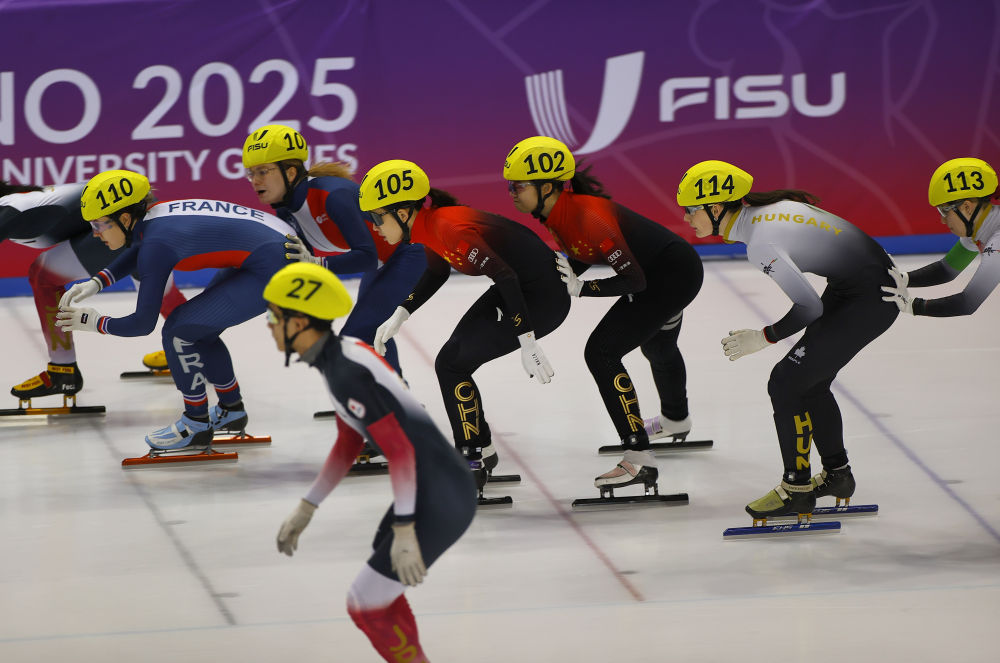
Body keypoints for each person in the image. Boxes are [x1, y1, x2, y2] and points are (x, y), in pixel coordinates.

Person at [265, 262, 475, 663]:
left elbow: (400, 451)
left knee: (364, 602)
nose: (269, 326)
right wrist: (307, 506)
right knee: (378, 597)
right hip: (435, 487)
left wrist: (405, 528)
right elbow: (349, 442)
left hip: (440, 495)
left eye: (274, 317)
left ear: (300, 322)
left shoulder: (345, 373)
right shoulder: (339, 357)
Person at [676, 159, 899, 521]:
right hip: (859, 289)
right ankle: (838, 476)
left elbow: (809, 307)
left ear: (716, 209)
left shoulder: (760, 242)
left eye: (690, 210)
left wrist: (764, 337)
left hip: (869, 299)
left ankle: (797, 489)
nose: (686, 218)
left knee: (785, 382)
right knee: (808, 383)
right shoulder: (767, 213)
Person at [503, 136, 703, 495]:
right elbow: (583, 253)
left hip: (670, 277)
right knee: (657, 347)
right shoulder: (557, 212)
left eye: (518, 186)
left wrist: (583, 288)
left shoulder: (587, 216)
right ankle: (676, 419)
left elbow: (634, 281)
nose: (511, 194)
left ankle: (639, 457)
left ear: (546, 187)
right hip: (669, 269)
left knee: (601, 352)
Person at [360, 159, 570, 490]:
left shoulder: (448, 228)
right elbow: (437, 271)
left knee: (451, 364)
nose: (374, 227)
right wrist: (401, 313)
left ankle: (472, 459)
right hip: (518, 287)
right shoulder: (428, 225)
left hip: (542, 297)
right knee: (452, 361)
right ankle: (480, 450)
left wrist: (527, 340)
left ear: (401, 212)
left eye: (376, 217)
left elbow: (505, 275)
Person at [54, 169, 291, 449]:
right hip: (271, 251)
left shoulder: (157, 243)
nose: (95, 234)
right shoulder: (153, 218)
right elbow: (139, 248)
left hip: (273, 265)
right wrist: (97, 282)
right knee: (199, 330)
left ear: (125, 218)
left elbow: (143, 323)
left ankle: (196, 423)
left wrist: (95, 322)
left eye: (98, 224)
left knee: (178, 330)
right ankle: (231, 410)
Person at [242, 124, 426, 374]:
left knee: (354, 336)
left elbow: (366, 257)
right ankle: (396, 392)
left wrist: (318, 264)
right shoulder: (285, 211)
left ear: (291, 172)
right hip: (384, 262)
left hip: (411, 253)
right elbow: (304, 269)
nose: (255, 181)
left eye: (263, 171)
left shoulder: (332, 195)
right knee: (371, 330)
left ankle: (384, 394)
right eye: (251, 173)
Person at [2, 181, 185, 404]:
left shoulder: (8, 209)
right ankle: (193, 345)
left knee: (43, 276)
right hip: (129, 213)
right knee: (158, 288)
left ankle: (62, 370)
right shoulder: (16, 202)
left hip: (119, 218)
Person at [881, 157, 1000, 317]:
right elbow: (946, 270)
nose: (942, 220)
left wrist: (912, 305)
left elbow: (968, 302)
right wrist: (904, 279)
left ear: (967, 207)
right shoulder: (981, 225)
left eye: (944, 211)